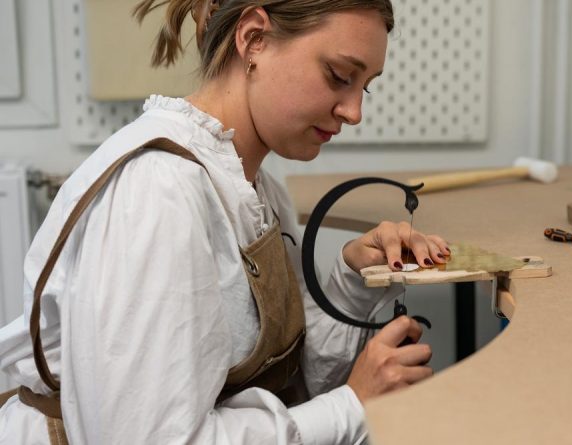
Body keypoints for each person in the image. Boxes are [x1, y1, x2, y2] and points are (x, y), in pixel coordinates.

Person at [0, 1, 451, 443]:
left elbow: (287, 382)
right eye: (339, 76)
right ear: (254, 39)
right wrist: (353, 404)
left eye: (365, 87)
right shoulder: (158, 192)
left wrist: (351, 288)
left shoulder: (257, 189)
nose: (354, 112)